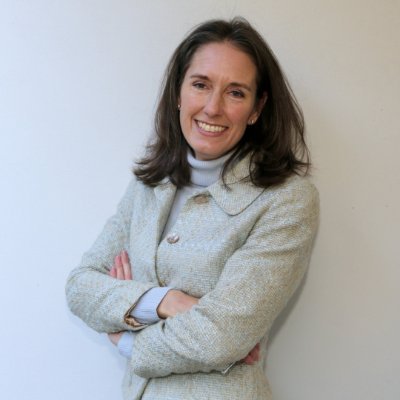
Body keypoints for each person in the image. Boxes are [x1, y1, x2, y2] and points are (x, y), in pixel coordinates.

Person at [66, 17, 319, 400]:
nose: (213, 107)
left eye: (235, 93)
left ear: (257, 107)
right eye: (201, 85)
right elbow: (80, 286)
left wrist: (127, 339)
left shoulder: (286, 200)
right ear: (178, 93)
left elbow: (222, 336)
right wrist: (168, 302)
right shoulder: (150, 185)